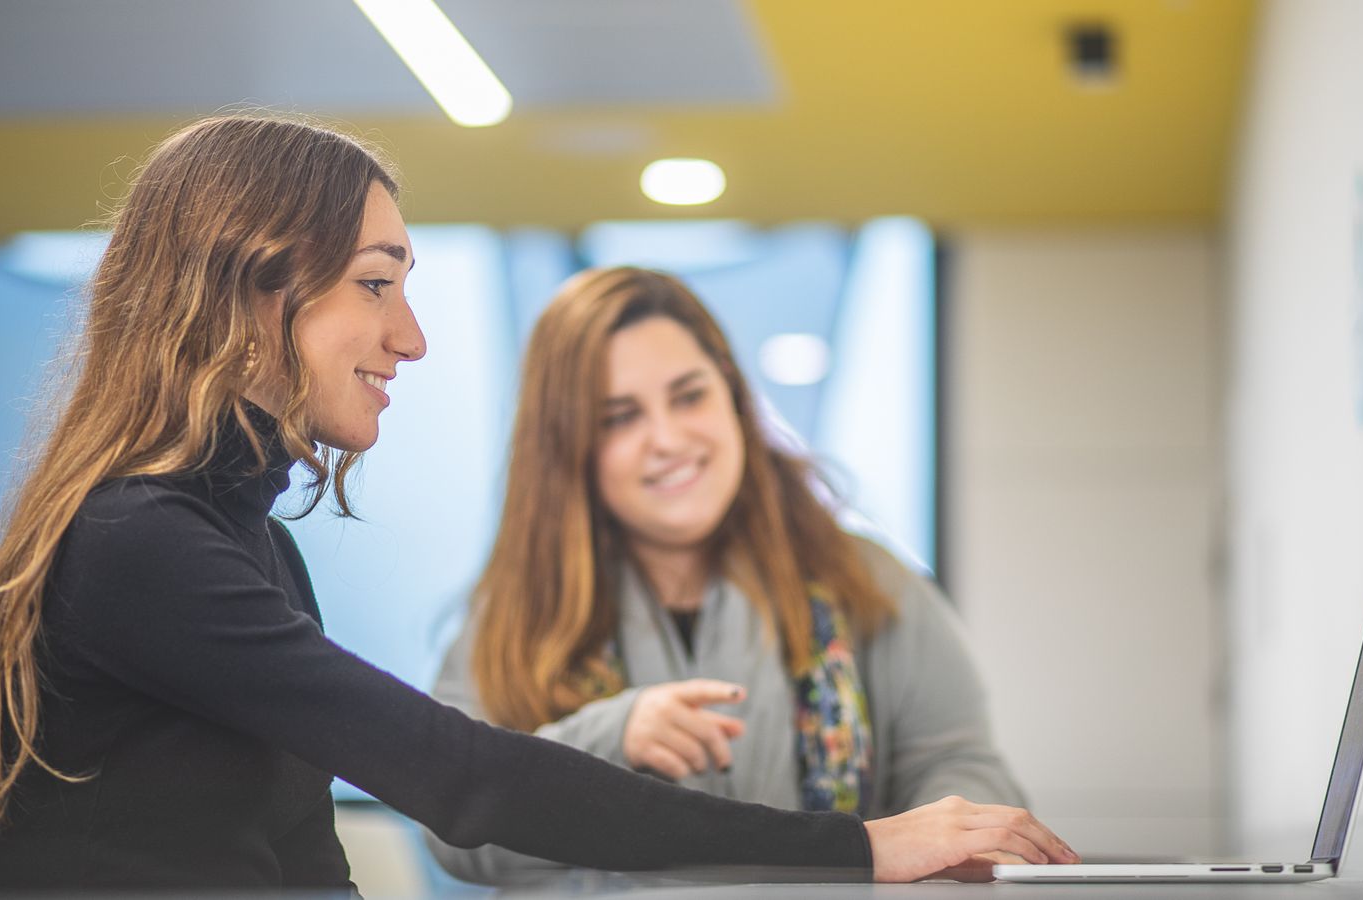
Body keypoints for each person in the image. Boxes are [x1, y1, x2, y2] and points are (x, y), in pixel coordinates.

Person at [0, 115, 1076, 892]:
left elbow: (305, 861)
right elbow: (463, 783)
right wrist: (858, 846)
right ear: (250, 291)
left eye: (689, 397)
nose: (410, 337)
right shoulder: (138, 546)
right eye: (376, 285)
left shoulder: (248, 542)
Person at [425, 267, 1030, 885]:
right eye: (619, 417)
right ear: (567, 447)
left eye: (690, 396)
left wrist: (956, 836)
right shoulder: (513, 612)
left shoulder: (867, 579)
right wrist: (610, 739)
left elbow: (961, 764)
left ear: (735, 399)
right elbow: (455, 830)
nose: (667, 438)